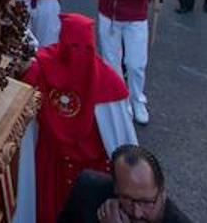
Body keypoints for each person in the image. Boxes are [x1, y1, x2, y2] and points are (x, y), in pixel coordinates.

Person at [15, 13, 138, 223]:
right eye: (73, 48)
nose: (78, 56)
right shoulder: (41, 70)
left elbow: (123, 141)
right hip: (49, 168)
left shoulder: (108, 84)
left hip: (92, 173)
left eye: (85, 49)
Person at [57, 145, 193, 223]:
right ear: (115, 187)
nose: (137, 213)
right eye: (128, 200)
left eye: (147, 202)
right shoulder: (88, 190)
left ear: (162, 192)